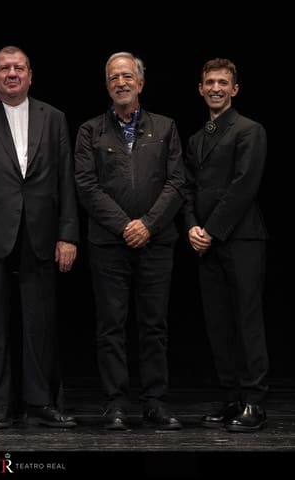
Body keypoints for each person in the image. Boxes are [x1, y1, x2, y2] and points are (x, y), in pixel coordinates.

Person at [0, 45, 79, 429]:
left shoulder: (53, 117)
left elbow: (66, 181)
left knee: (39, 323)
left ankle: (40, 402)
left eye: (18, 68)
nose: (12, 74)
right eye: (4, 68)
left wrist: (68, 234)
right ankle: (0, 404)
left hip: (40, 233)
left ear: (30, 75)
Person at [74, 52, 185, 431]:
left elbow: (176, 183)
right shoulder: (90, 130)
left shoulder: (166, 127)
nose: (120, 83)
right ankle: (115, 403)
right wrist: (125, 226)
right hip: (108, 243)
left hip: (157, 241)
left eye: (127, 76)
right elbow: (86, 187)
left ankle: (155, 401)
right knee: (111, 326)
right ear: (107, 85)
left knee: (154, 326)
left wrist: (148, 225)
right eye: (113, 78)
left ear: (140, 83)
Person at [183, 58, 269, 432]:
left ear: (234, 90)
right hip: (206, 241)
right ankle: (231, 398)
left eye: (222, 82)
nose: (215, 88)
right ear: (200, 89)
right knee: (218, 324)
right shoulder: (197, 138)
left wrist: (210, 231)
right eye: (209, 82)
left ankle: (254, 402)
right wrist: (191, 228)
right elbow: (186, 189)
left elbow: (243, 186)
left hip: (241, 238)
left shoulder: (250, 130)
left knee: (245, 320)